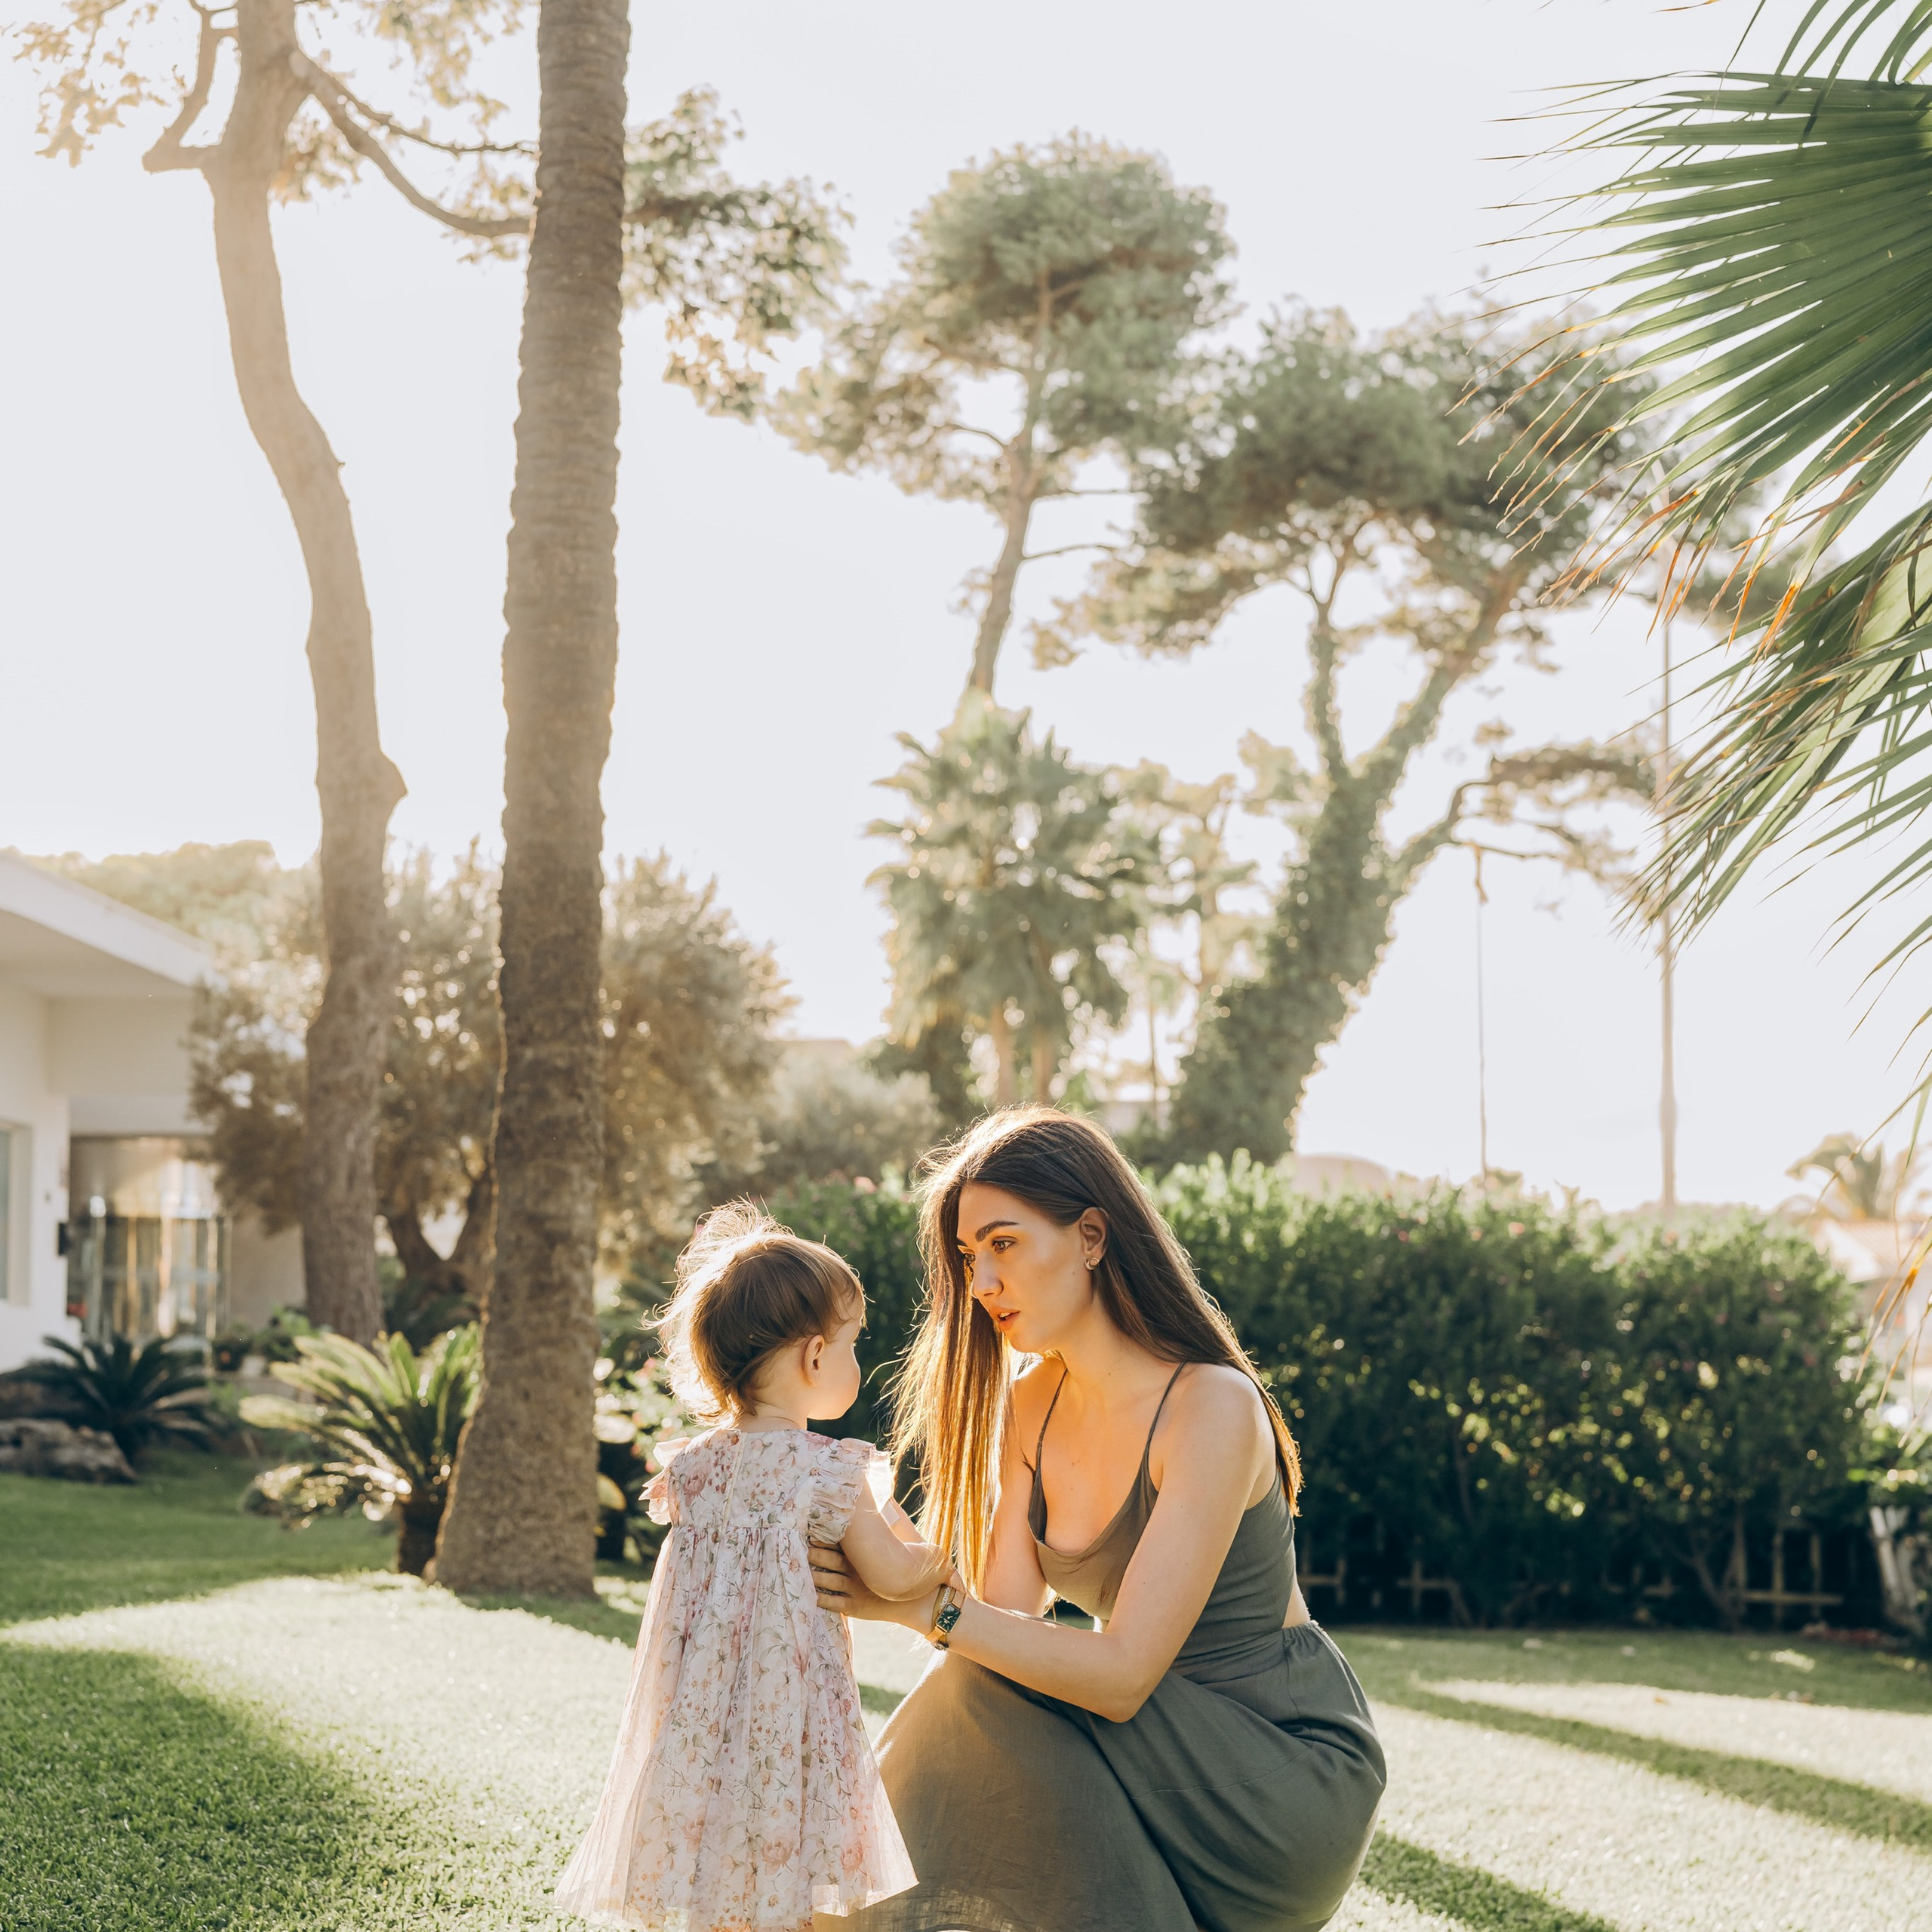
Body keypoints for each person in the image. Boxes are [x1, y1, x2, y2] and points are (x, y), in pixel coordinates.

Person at [809, 1109, 1386, 1932]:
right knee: (980, 1688)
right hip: (1146, 1762)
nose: (981, 1283)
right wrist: (881, 1544)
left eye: (1003, 1244)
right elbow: (1003, 1626)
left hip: (1278, 1775)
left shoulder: (1211, 1406)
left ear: (1090, 1237)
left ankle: (820, 1904)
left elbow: (1120, 1678)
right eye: (969, 1257)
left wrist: (921, 1608)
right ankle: (828, 1902)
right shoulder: (1030, 1405)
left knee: (976, 1685)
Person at [556, 1204, 951, 1932]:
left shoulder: (692, 1470)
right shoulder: (826, 1471)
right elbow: (894, 1574)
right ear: (814, 1357)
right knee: (785, 1855)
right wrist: (943, 1557)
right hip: (787, 1711)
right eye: (853, 1343)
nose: (856, 1360)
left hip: (699, 1717)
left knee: (716, 1864)